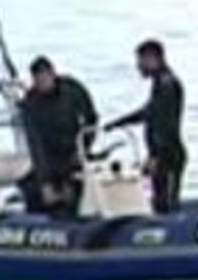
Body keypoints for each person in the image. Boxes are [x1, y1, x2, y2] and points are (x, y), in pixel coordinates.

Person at [104, 39, 186, 214]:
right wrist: (118, 123)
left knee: (167, 205)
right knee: (159, 200)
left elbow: (166, 124)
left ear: (152, 59)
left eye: (140, 62)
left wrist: (156, 156)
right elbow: (148, 113)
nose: (138, 67)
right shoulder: (160, 84)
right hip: (164, 154)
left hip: (168, 155)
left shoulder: (166, 85)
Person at [16, 55, 99, 215]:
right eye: (38, 79)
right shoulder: (31, 102)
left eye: (45, 77)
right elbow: (35, 144)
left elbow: (91, 120)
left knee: (77, 185)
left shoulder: (72, 89)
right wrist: (45, 182)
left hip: (75, 152)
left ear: (53, 74)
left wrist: (83, 149)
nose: (43, 83)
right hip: (49, 157)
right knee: (32, 189)